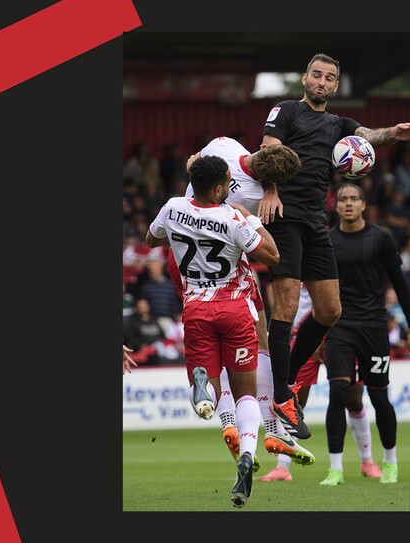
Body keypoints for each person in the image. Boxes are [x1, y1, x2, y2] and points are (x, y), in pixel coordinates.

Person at [258, 52, 410, 440]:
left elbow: (368, 136)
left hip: (316, 223)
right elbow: (267, 151)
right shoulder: (286, 111)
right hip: (284, 216)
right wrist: (270, 191)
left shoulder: (339, 124)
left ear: (334, 85)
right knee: (286, 307)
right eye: (316, 75)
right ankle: (280, 396)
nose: (321, 81)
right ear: (305, 79)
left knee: (330, 310)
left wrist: (394, 133)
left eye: (329, 77)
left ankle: (287, 383)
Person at [167, 138, 316, 467]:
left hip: (182, 262)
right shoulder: (255, 198)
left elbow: (197, 162)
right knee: (258, 340)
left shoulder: (225, 145)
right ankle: (270, 430)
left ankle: (230, 423)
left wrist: (193, 163)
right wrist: (269, 195)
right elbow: (270, 253)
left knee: (212, 352)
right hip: (227, 274)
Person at [146, 155, 280, 508]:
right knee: (246, 394)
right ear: (219, 188)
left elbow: (151, 240)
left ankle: (203, 386)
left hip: (196, 308)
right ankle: (247, 455)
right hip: (235, 309)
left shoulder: (172, 207)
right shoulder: (233, 217)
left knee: (211, 390)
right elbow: (272, 256)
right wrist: (251, 218)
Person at [318, 183, 410, 486]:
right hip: (339, 326)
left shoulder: (381, 238)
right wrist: (318, 334)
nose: (348, 203)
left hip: (374, 327)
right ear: (336, 206)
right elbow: (319, 291)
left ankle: (390, 461)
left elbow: (400, 283)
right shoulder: (328, 241)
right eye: (343, 199)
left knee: (378, 396)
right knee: (338, 393)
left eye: (354, 199)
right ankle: (335, 469)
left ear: (364, 205)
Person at [257, 283, 384, 481]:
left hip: (339, 333)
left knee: (353, 400)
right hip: (302, 338)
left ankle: (367, 461)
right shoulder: (293, 266)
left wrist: (324, 334)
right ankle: (282, 467)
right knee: (294, 401)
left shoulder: (329, 264)